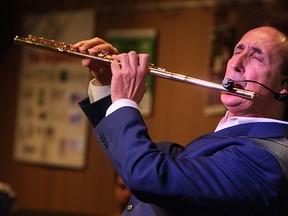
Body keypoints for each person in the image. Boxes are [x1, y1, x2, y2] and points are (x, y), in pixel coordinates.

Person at [74, 7, 288, 216]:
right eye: (238, 51)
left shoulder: (265, 161)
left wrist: (124, 101)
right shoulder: (231, 138)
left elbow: (150, 175)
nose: (236, 64)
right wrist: (107, 86)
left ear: (283, 87)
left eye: (257, 57)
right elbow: (134, 155)